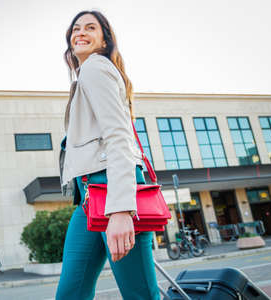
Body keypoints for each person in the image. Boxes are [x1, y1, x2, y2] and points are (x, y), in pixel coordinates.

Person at [56, 10, 160, 300]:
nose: (80, 33)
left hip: (111, 189)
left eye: (90, 27)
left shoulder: (95, 67)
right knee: (70, 294)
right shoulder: (85, 76)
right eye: (75, 29)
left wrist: (121, 208)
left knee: (140, 294)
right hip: (88, 199)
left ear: (104, 40)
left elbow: (119, 136)